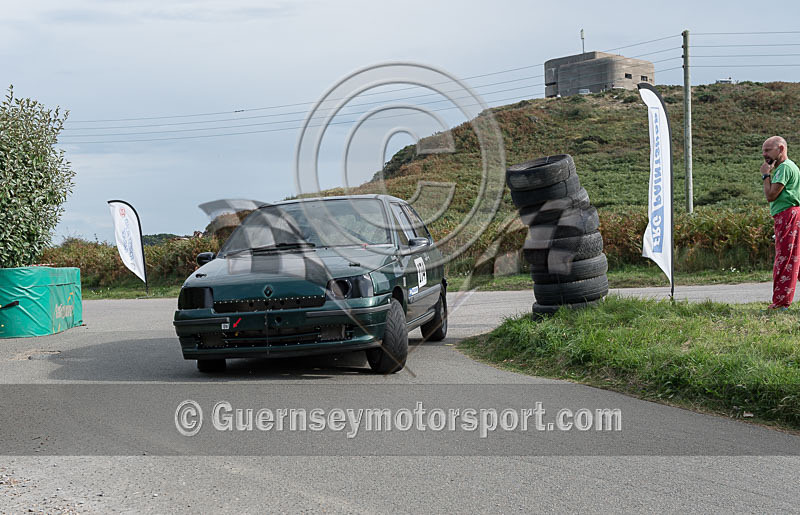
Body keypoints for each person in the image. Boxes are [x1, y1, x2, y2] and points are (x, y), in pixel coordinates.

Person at [760, 136, 800, 309]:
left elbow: (771, 195)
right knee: (796, 257)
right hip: (792, 214)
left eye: (768, 150)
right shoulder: (790, 167)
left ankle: (781, 302)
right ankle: (782, 301)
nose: (764, 154)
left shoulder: (784, 168)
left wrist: (765, 175)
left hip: (787, 215)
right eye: (763, 150)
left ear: (781, 148)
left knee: (785, 258)